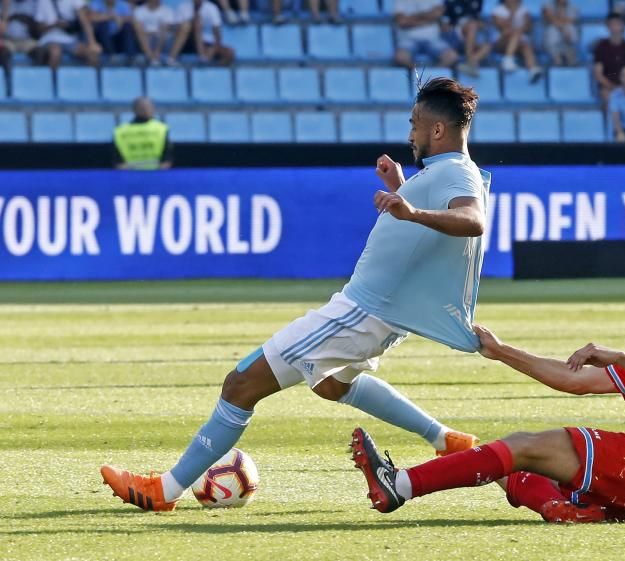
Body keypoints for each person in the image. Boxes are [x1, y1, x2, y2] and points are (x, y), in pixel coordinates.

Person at [100, 78, 491, 511]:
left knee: (241, 382)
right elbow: (422, 235)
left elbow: (472, 219)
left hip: (360, 313)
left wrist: (411, 207)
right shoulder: (442, 172)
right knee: (330, 386)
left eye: (415, 124)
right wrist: (402, 189)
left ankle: (163, 491)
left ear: (438, 130)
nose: (410, 134)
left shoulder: (456, 171)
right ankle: (445, 439)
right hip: (379, 316)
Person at [351, 254, 625, 524]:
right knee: (514, 465)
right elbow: (574, 380)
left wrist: (623, 358)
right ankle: (562, 507)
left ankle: (399, 485)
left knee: (525, 445)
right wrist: (502, 352)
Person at [33, 0, 101, 69]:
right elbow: (38, 28)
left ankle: (90, 79)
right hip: (50, 39)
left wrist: (92, 42)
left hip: (70, 39)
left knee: (92, 54)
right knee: (55, 53)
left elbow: (84, 21)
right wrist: (55, 25)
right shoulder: (43, 1)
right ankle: (52, 79)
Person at [393, 0, 458, 69]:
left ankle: (433, 76)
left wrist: (410, 18)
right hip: (408, 40)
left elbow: (437, 14)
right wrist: (429, 17)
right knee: (400, 57)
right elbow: (402, 22)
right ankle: (418, 74)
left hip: (433, 39)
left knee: (452, 56)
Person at [113, 97, 173, 170]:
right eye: (142, 108)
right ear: (134, 110)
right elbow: (117, 161)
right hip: (129, 175)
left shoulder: (162, 129)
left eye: (149, 107)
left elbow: (167, 159)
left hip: (157, 175)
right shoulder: (120, 131)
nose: (146, 110)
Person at [167, 0, 233, 66]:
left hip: (205, 42)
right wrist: (192, 24)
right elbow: (176, 30)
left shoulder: (211, 8)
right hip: (186, 42)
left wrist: (215, 47)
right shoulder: (183, 7)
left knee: (229, 52)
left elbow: (217, 32)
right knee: (189, 26)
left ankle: (212, 71)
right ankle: (171, 58)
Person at [491, 0, 541, 81]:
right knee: (514, 33)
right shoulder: (497, 10)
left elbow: (528, 27)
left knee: (526, 47)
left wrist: (520, 29)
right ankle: (507, 59)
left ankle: (533, 69)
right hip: (501, 41)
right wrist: (512, 13)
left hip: (518, 41)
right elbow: (502, 27)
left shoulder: (524, 10)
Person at [592, 13, 625, 103]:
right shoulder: (601, 47)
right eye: (612, 24)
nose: (615, 28)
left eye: (618, 24)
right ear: (608, 27)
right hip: (607, 87)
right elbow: (598, 74)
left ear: (623, 26)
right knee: (609, 97)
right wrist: (613, 87)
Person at [443, 0, 490, 77]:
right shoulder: (450, 2)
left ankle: (471, 62)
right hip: (455, 35)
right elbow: (445, 26)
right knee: (472, 25)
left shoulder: (478, 2)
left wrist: (480, 24)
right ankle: (469, 61)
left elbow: (481, 22)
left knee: (487, 47)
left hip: (471, 38)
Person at [1, 0, 40, 73]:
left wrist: (19, 18)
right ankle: (7, 79)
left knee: (39, 52)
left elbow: (38, 26)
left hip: (26, 40)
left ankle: (35, 78)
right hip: (8, 40)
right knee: (3, 53)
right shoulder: (5, 4)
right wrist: (5, 16)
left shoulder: (32, 3)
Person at [130, 0, 173, 66]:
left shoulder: (167, 10)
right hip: (146, 40)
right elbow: (138, 28)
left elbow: (167, 29)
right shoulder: (139, 10)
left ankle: (157, 54)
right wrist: (152, 33)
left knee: (164, 31)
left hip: (162, 41)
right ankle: (151, 57)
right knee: (139, 30)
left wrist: (152, 33)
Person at [541, 0, 577, 67]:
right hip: (552, 42)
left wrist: (561, 9)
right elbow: (551, 19)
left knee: (570, 28)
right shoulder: (547, 5)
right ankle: (557, 59)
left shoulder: (573, 8)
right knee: (552, 29)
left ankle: (569, 56)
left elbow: (569, 21)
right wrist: (562, 29)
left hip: (567, 40)